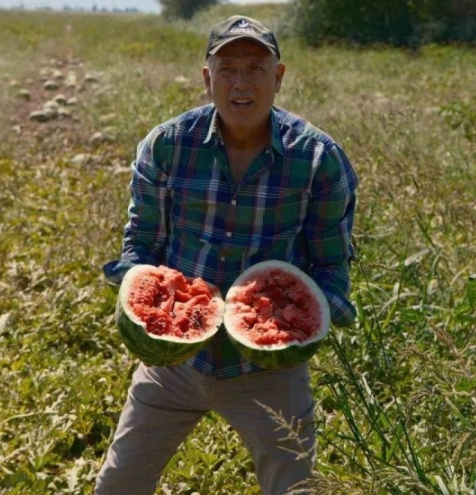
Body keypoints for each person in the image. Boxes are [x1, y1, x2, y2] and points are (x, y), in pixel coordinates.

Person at [96, 15, 359, 495]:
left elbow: (331, 269)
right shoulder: (168, 146)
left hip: (268, 373)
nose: (241, 83)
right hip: (174, 367)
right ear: (206, 78)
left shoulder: (319, 159)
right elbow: (142, 243)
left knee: (294, 489)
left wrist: (304, 320)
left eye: (256, 69)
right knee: (119, 484)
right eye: (228, 68)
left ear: (278, 77)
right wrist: (149, 305)